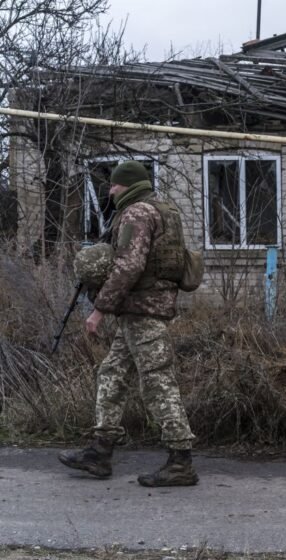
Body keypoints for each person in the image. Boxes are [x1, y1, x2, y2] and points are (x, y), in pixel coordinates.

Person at [58, 160, 199, 487]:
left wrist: (99, 310)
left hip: (143, 310)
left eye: (115, 185)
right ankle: (100, 451)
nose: (110, 190)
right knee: (113, 373)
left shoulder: (137, 213)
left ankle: (181, 461)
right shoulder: (166, 210)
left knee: (157, 381)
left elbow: (128, 267)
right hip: (142, 309)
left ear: (129, 185)